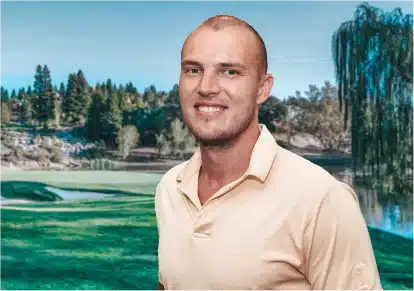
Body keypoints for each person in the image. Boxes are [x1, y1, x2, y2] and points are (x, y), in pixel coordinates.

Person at [155, 14, 383, 291]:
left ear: (263, 88)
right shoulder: (169, 189)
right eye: (193, 70)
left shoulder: (321, 200)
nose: (206, 87)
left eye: (230, 72)